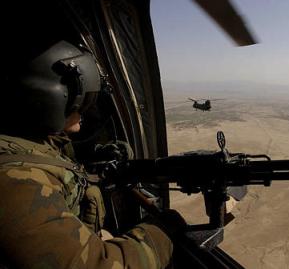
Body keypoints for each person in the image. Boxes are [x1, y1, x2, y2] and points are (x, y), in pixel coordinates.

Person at [0, 40, 175, 268]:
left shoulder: (28, 140)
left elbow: (55, 159)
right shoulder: (14, 183)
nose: (87, 109)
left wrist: (96, 156)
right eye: (82, 100)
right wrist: (162, 232)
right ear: (50, 99)